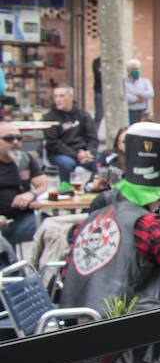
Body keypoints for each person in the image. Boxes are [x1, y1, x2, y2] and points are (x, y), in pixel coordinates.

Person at [60, 122, 160, 315]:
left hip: (71, 322)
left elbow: (66, 273)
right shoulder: (150, 224)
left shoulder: (92, 218)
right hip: (124, 328)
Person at [0, 120, 47, 248]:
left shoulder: (24, 159)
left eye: (18, 138)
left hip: (24, 218)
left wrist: (31, 194)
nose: (15, 142)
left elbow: (42, 184)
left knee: (55, 227)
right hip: (2, 222)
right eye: (8, 139)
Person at [42, 84, 99, 186]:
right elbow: (53, 143)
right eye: (55, 96)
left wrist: (88, 152)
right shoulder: (49, 117)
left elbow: (93, 138)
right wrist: (76, 155)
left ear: (71, 97)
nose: (58, 99)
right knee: (67, 164)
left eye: (62, 96)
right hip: (60, 153)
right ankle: (65, 189)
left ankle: (91, 186)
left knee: (99, 161)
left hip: (83, 152)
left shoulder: (83, 114)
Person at [124, 59, 153, 124]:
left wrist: (137, 94)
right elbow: (127, 97)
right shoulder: (124, 82)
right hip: (131, 112)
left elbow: (150, 94)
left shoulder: (145, 81)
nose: (137, 71)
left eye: (138, 68)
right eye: (134, 69)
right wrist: (140, 98)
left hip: (143, 112)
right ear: (128, 70)